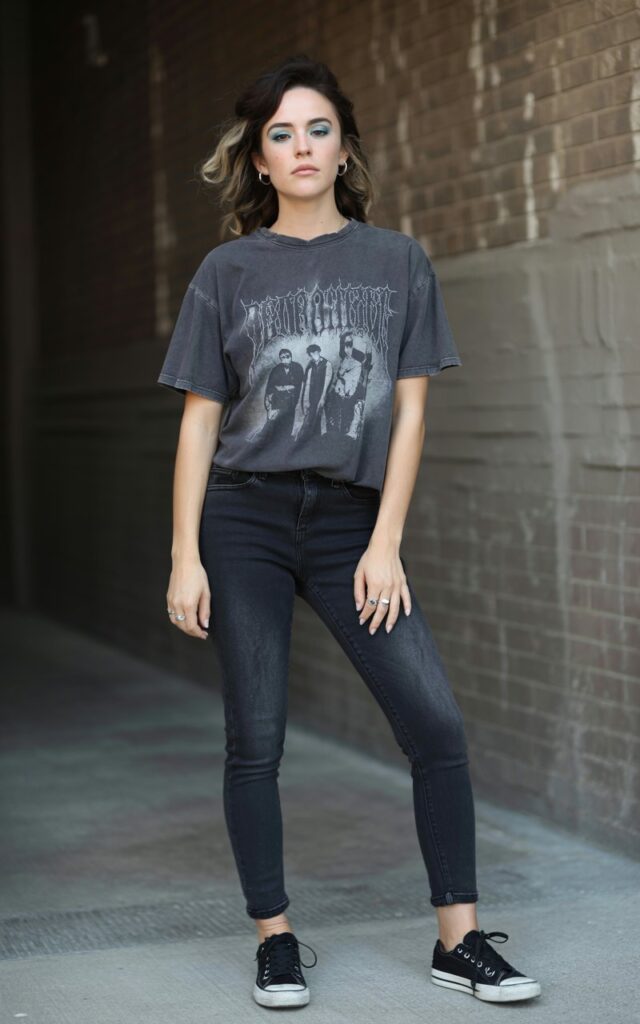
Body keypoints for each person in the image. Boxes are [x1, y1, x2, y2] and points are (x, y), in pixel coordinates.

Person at [157, 54, 541, 1010]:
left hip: (350, 523)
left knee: (436, 726)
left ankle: (460, 940)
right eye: (279, 133)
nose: (300, 147)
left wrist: (386, 541)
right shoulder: (227, 271)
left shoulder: (396, 260)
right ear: (254, 157)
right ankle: (275, 940)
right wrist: (184, 554)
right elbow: (200, 421)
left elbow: (409, 415)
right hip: (242, 516)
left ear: (344, 147)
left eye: (317, 128)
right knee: (257, 736)